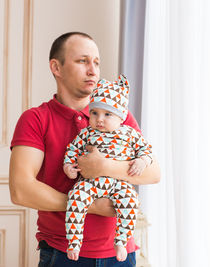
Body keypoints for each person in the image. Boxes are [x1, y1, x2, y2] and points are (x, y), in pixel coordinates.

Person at [9, 32, 160, 267]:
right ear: (56, 67)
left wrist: (105, 166)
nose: (93, 70)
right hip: (64, 253)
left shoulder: (117, 115)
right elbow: (21, 190)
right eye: (83, 61)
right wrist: (90, 205)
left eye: (97, 62)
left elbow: (153, 173)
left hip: (120, 254)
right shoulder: (36, 119)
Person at [64, 74, 153, 262]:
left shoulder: (129, 133)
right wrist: (68, 166)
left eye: (107, 114)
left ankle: (121, 241)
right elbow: (72, 149)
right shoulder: (87, 133)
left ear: (121, 117)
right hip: (90, 182)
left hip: (118, 184)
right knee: (76, 197)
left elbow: (146, 150)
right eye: (94, 113)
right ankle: (74, 241)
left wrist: (142, 161)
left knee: (131, 201)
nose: (99, 119)